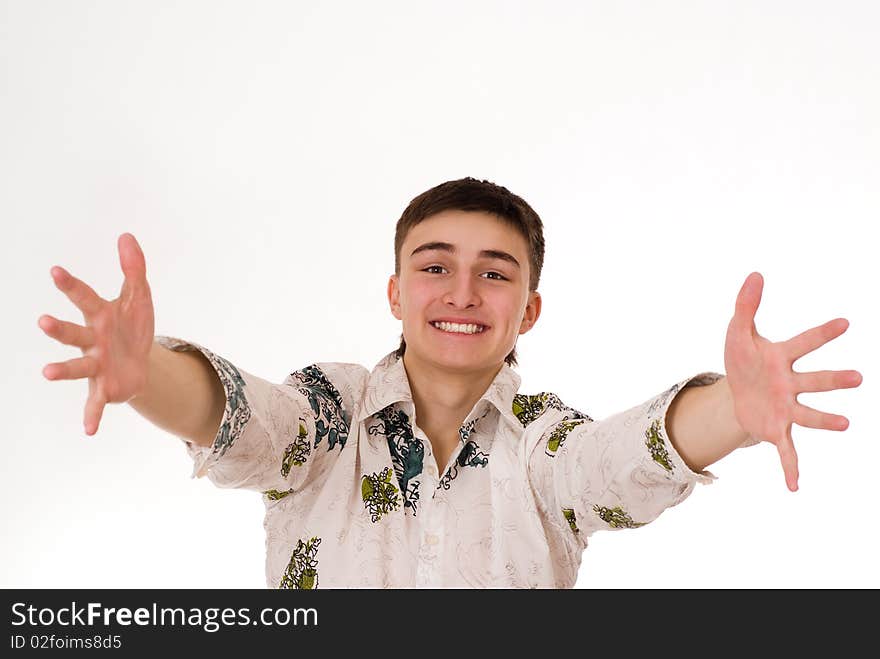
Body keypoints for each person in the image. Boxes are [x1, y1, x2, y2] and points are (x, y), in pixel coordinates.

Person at [38, 177, 862, 588]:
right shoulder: (332, 410)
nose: (463, 293)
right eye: (435, 268)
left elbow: (612, 468)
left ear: (528, 309)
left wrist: (732, 411)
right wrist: (144, 374)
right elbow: (252, 426)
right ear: (396, 292)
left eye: (494, 275)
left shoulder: (546, 437)